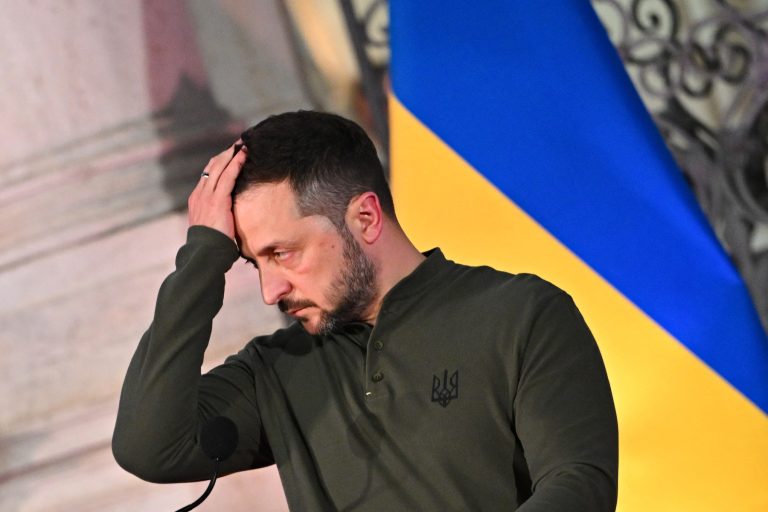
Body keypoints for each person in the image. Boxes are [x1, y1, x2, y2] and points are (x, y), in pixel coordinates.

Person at [112, 111, 618, 511]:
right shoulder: (273, 371)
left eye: (282, 253)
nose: (270, 290)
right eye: (252, 261)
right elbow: (148, 448)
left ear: (366, 217)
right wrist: (203, 257)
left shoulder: (522, 314)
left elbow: (578, 483)